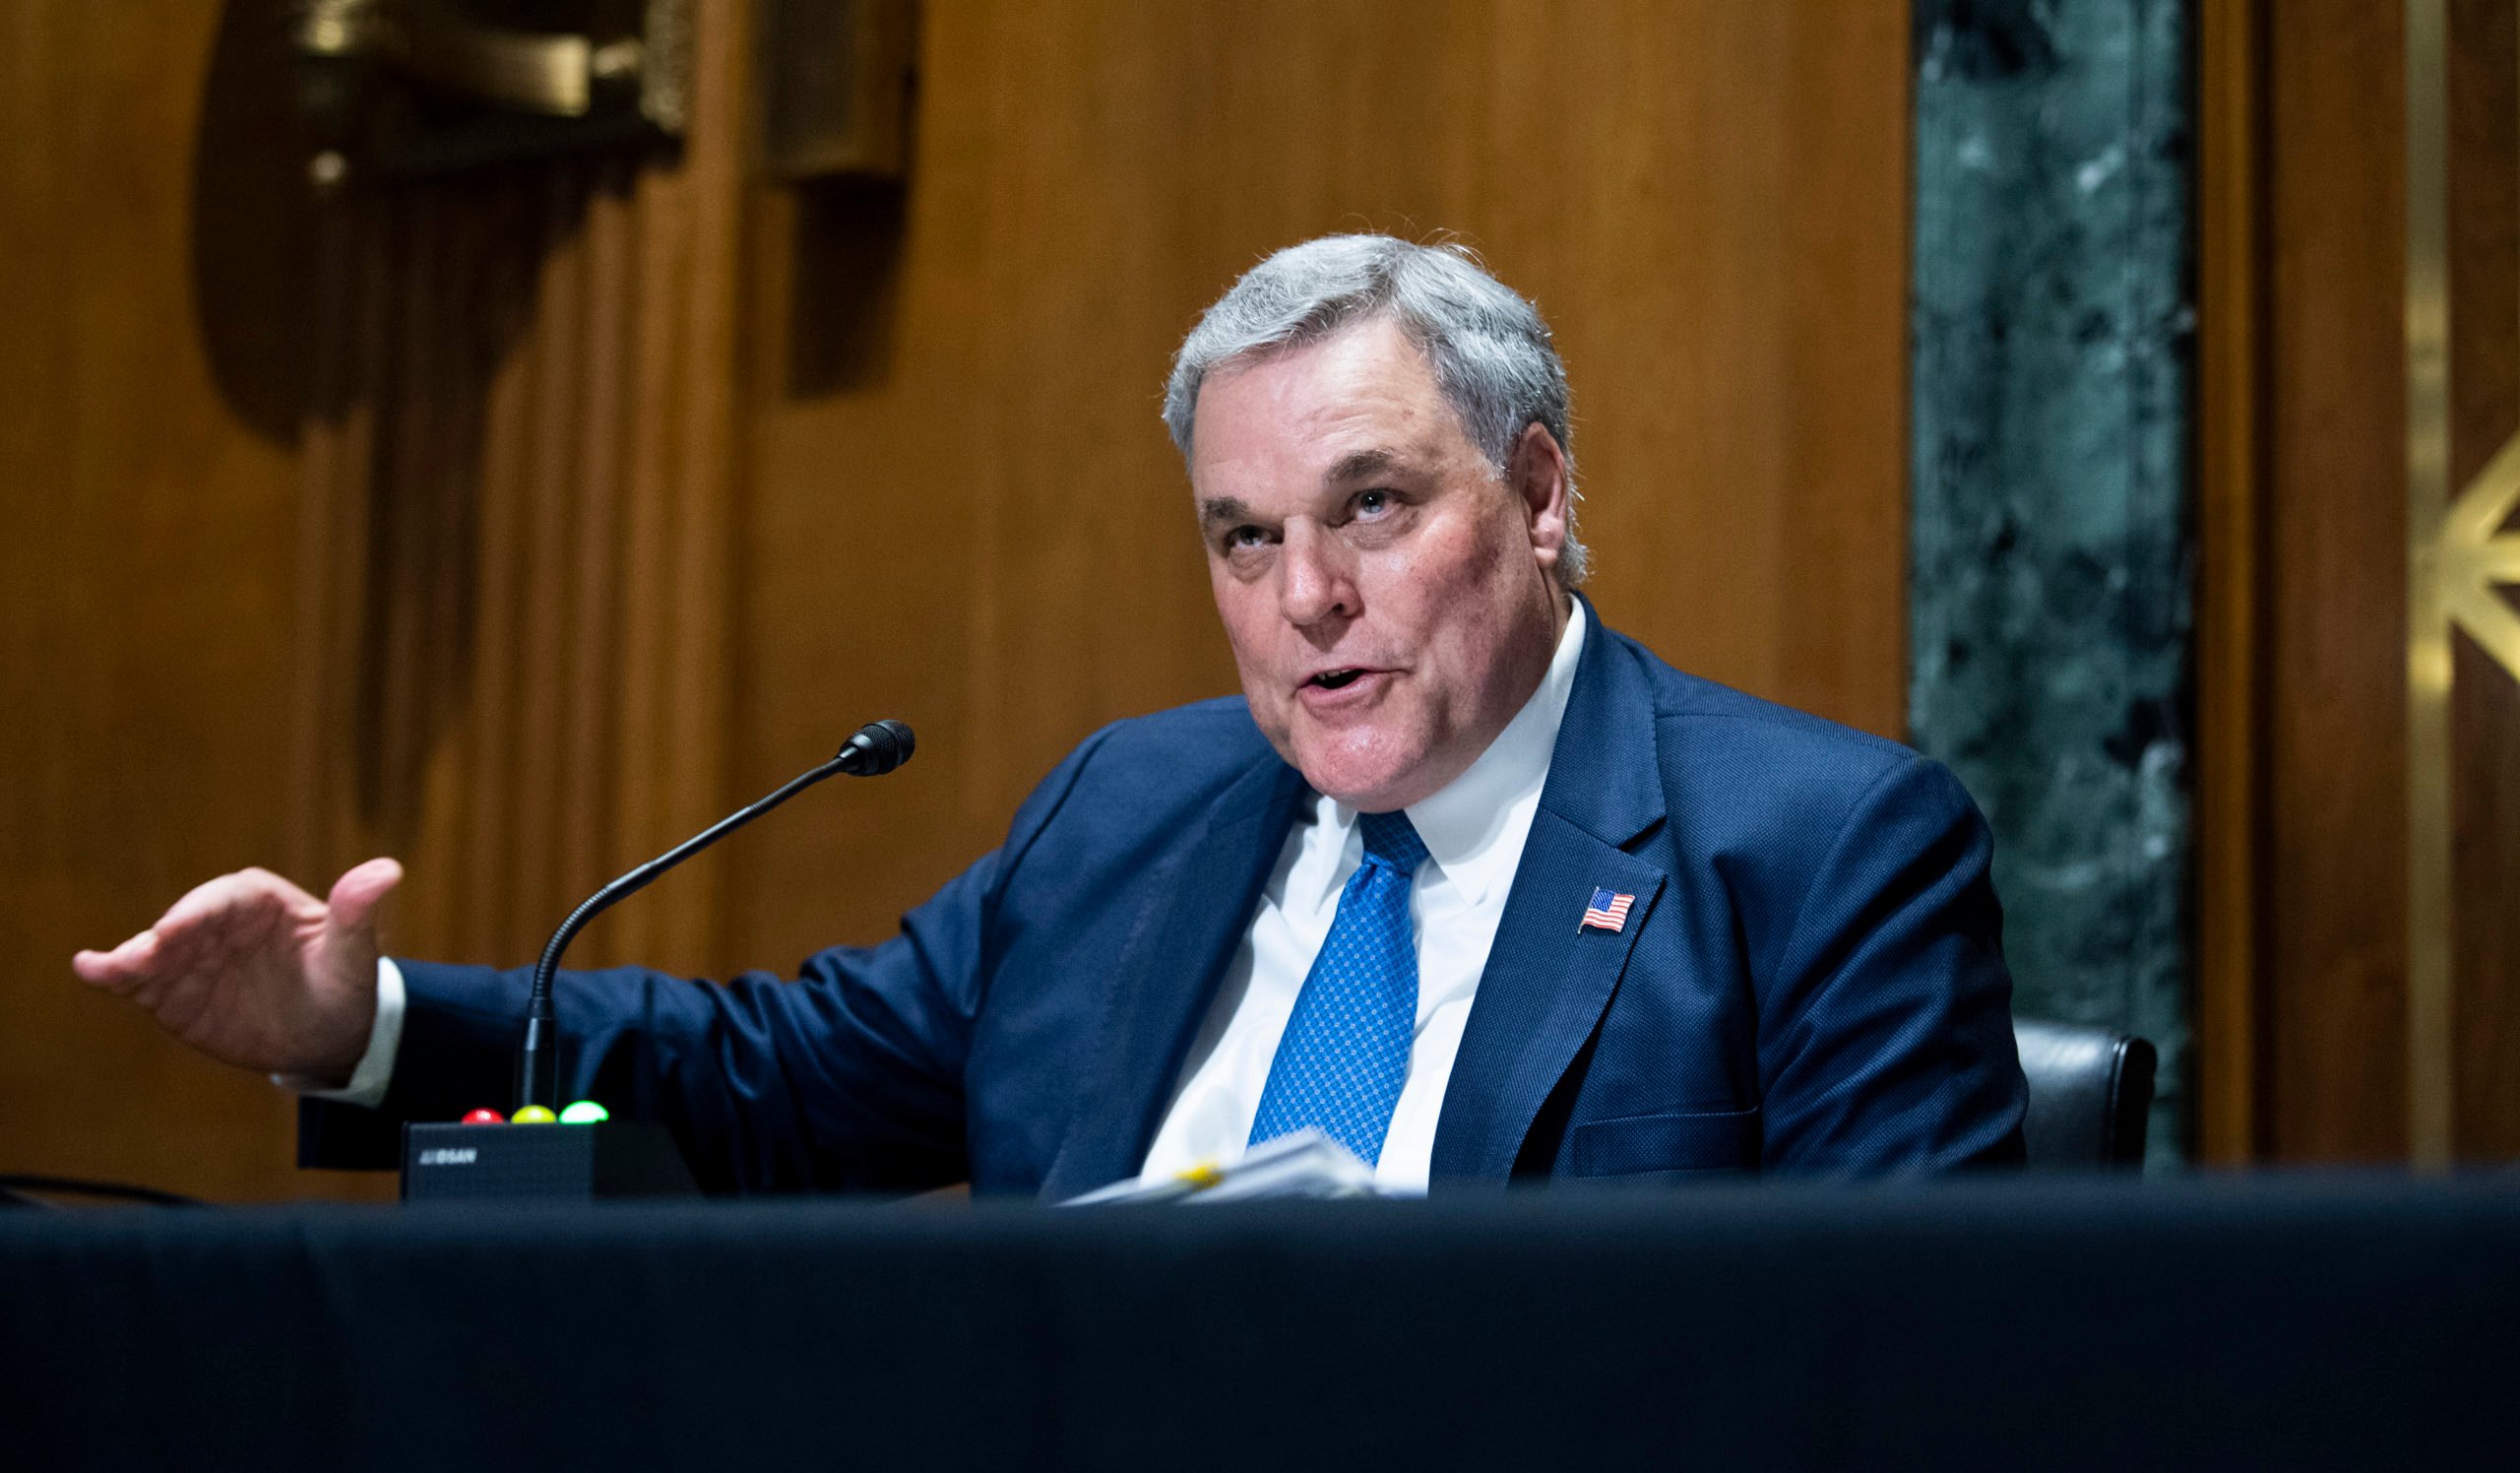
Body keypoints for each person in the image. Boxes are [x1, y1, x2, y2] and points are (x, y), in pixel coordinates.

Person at [75, 235, 2026, 1195]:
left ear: (1534, 496)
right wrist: (370, 1026)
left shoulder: (1820, 847)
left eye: (1368, 506)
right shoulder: (1137, 805)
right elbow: (780, 1075)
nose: (1301, 602)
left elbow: (1896, 1377)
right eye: (1240, 537)